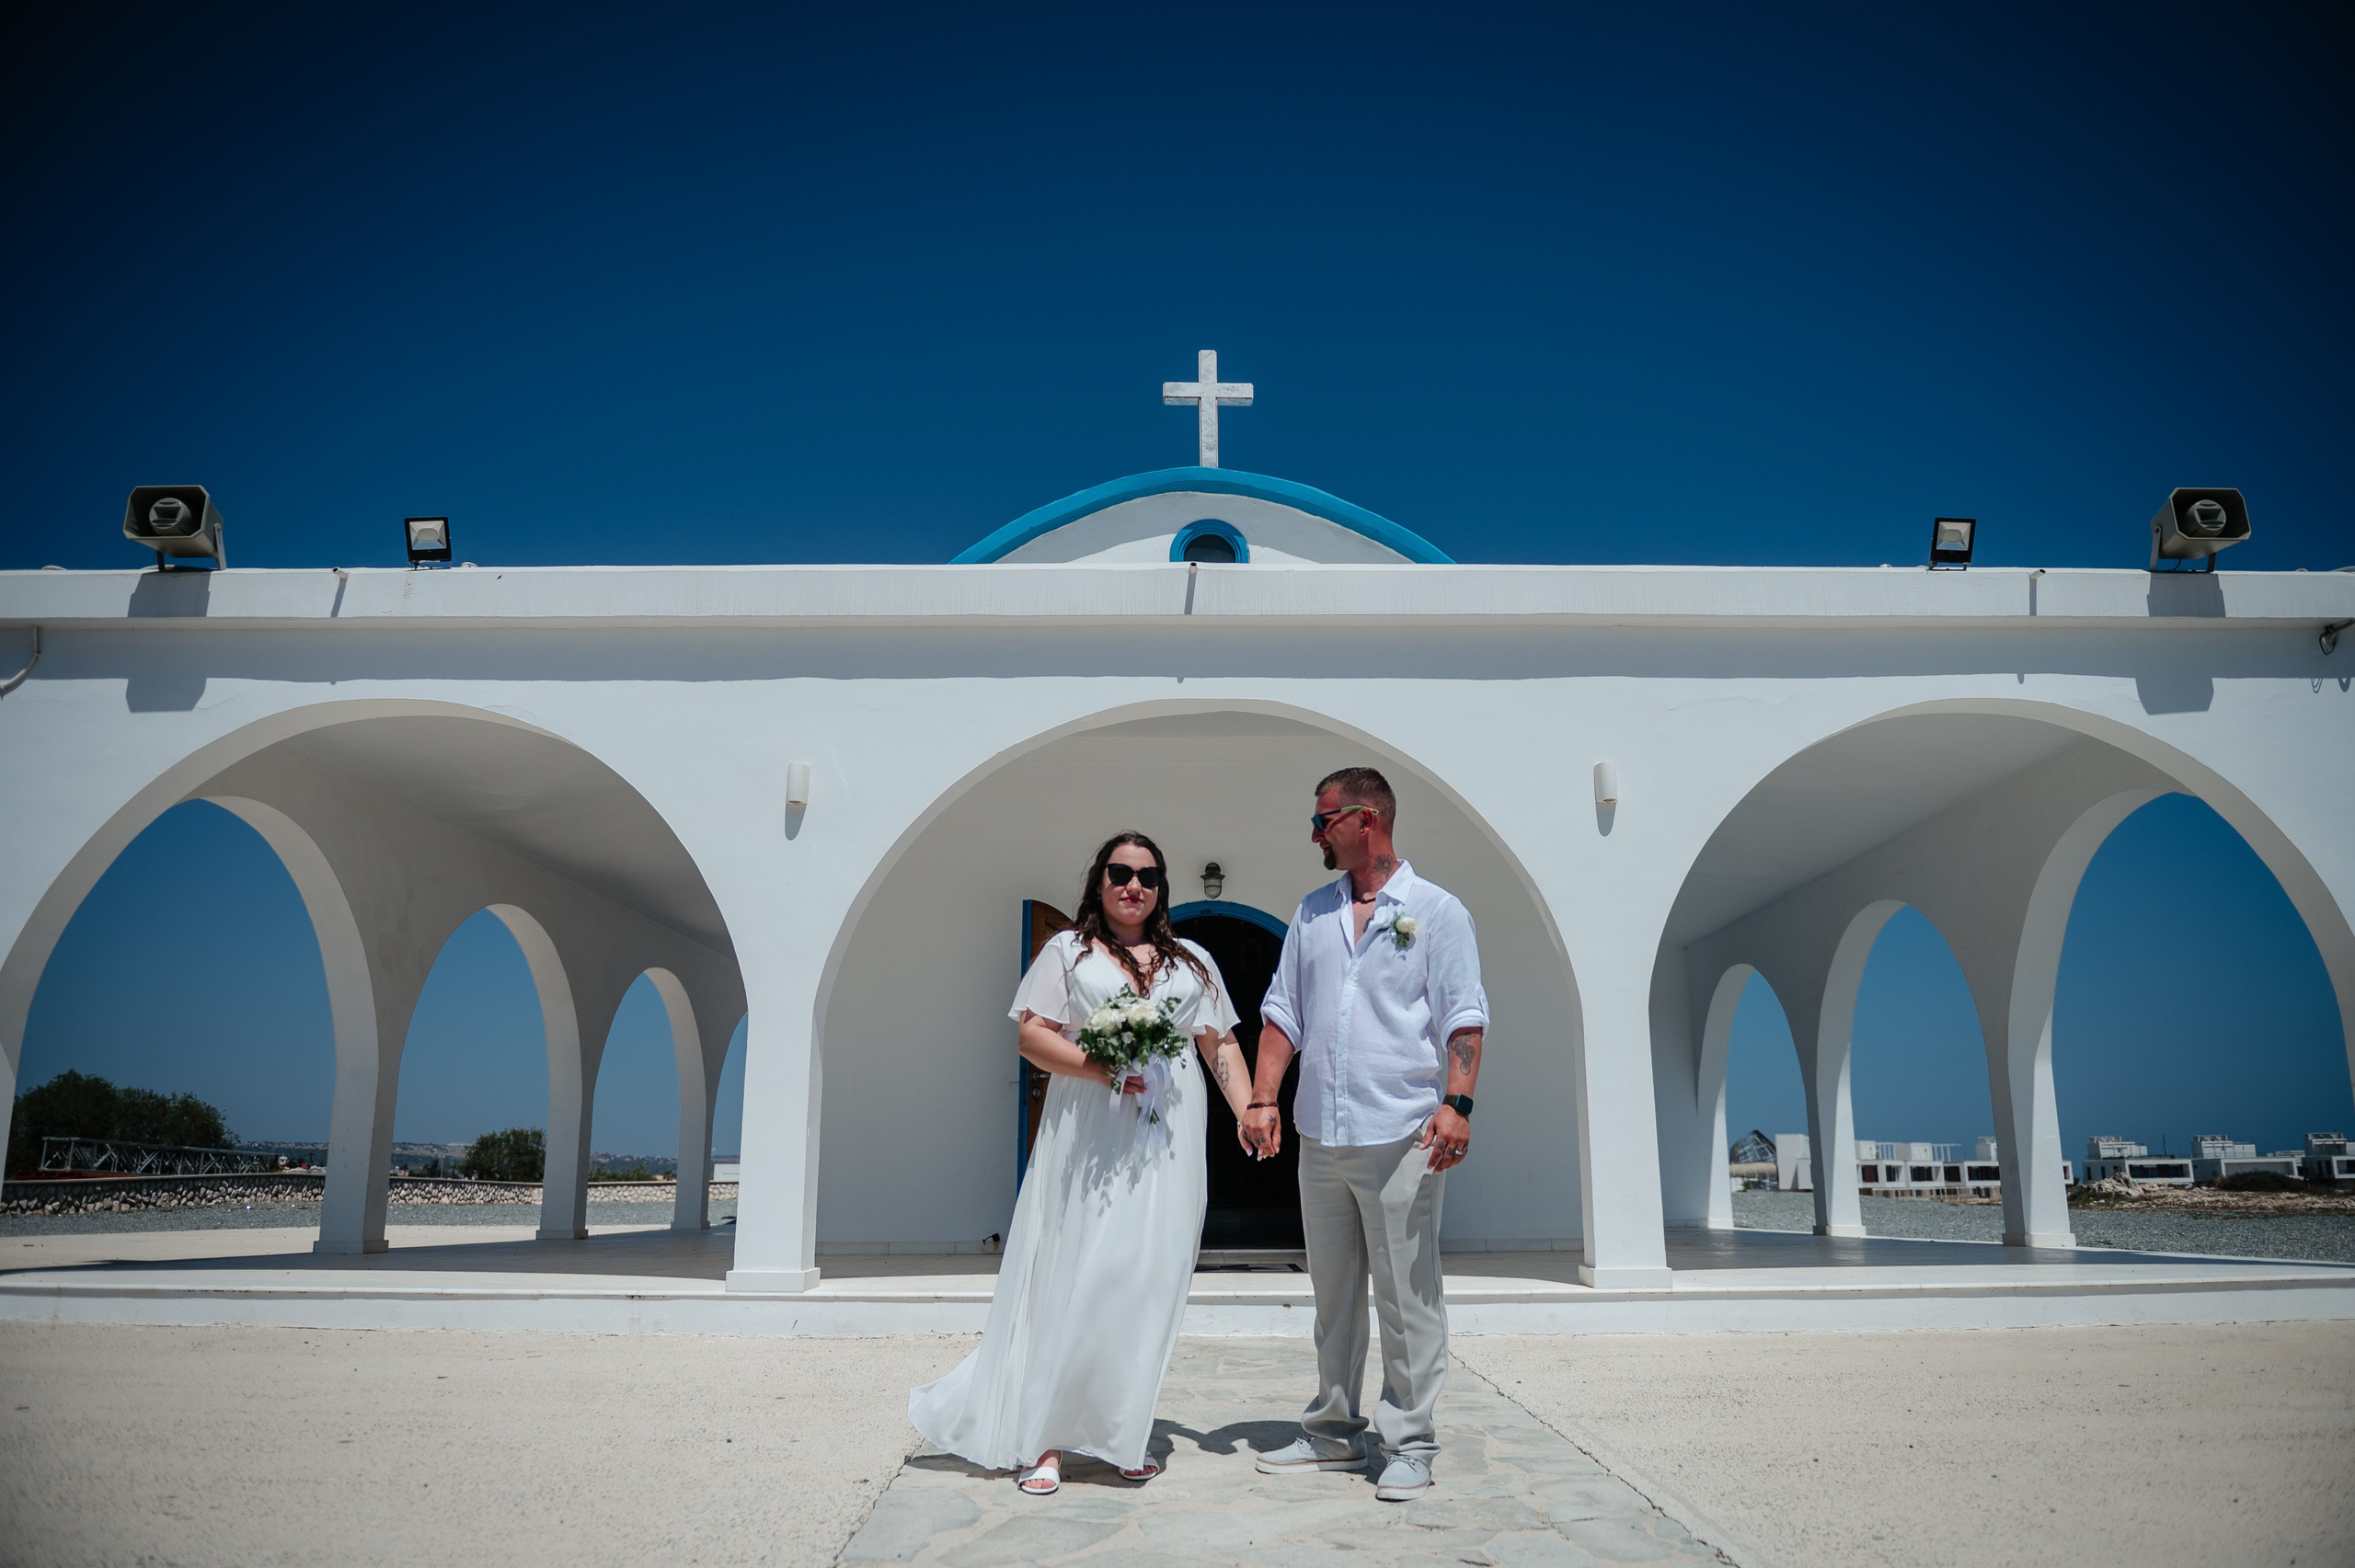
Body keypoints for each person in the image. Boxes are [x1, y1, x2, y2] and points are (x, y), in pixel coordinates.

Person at [909, 830, 1257, 1495]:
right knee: (1078, 1272)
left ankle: (1122, 1432)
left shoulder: (1194, 962)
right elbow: (1032, 1035)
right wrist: (1099, 1066)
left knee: (1145, 1280)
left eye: (1148, 875)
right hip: (1092, 1135)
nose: (1134, 885)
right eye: (1120, 872)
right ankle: (1047, 1441)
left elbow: (1220, 1046)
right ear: (1099, 881)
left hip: (1170, 1143)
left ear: (1162, 887)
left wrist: (1248, 1109)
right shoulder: (1066, 951)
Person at [1239, 767, 1488, 1502]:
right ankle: (1331, 1433)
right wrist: (1261, 1097)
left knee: (1408, 1297)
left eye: (1323, 820)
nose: (1314, 833)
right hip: (1323, 1134)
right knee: (1334, 1293)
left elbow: (1463, 1015)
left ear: (1366, 817)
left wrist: (1458, 1103)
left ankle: (1410, 1439)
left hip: (1404, 1135)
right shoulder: (1312, 913)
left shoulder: (1437, 912)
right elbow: (1283, 1013)